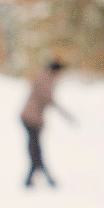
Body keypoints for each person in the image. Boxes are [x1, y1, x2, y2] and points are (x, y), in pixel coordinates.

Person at [21, 59, 74, 188]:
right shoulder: (46, 79)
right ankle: (40, 177)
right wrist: (67, 115)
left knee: (35, 148)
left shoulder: (44, 78)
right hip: (31, 119)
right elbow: (48, 98)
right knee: (36, 149)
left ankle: (35, 176)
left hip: (32, 119)